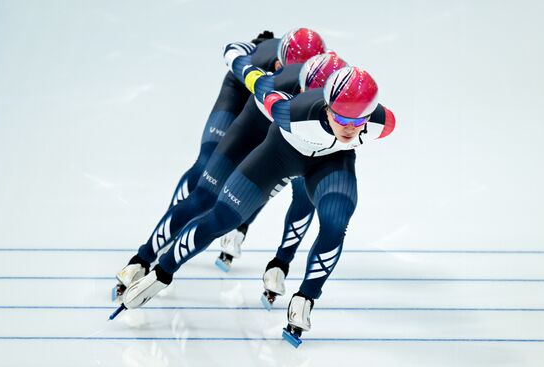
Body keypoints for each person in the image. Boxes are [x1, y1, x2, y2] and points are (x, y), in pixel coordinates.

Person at [117, 60, 396, 346]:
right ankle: (162, 271)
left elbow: (364, 124)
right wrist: (240, 62)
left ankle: (305, 299)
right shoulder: (294, 113)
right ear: (327, 107)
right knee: (222, 218)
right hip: (279, 155)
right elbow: (260, 85)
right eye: (341, 119)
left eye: (357, 122)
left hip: (331, 164)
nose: (349, 129)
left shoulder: (382, 122)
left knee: (336, 221)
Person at [113, 29, 328, 298]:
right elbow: (232, 51)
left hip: (277, 114)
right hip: (243, 96)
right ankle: (149, 253)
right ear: (276, 66)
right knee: (206, 178)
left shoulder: (322, 84)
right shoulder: (263, 65)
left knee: (285, 179)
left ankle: (245, 233)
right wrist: (249, 57)